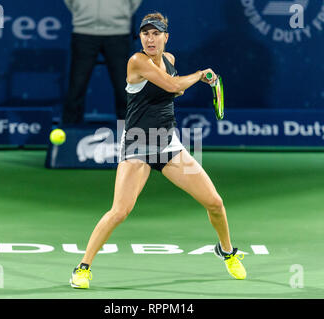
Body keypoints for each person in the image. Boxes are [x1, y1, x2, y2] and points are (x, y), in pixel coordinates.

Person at [69, 12, 246, 289]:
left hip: (168, 145)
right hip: (138, 144)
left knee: (215, 202)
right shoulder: (136, 61)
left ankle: (227, 251)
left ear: (166, 37)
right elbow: (175, 85)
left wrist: (181, 86)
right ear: (140, 37)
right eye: (145, 33)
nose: (150, 39)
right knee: (120, 211)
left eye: (155, 33)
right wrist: (201, 75)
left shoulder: (170, 60)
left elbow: (173, 91)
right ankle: (82, 268)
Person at [63, 0, 143, 124]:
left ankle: (131, 133)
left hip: (118, 32)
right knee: (76, 86)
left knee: (124, 87)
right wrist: (80, 9)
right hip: (83, 31)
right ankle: (69, 135)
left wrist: (124, 12)